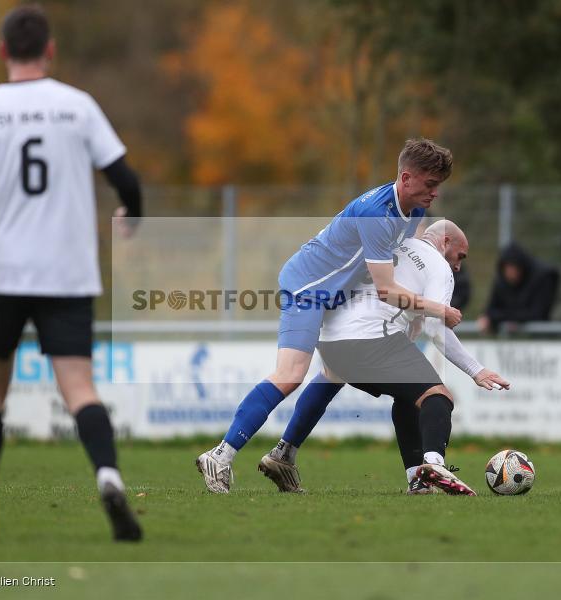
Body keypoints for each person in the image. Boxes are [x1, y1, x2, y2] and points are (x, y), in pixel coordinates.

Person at [0, 5, 143, 541]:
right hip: (67, 273)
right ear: (50, 51)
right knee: (79, 389)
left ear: (2, 52)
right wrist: (131, 217)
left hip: (2, 275)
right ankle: (109, 476)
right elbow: (126, 178)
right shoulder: (77, 106)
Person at [196, 139, 462, 493]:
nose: (435, 193)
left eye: (438, 186)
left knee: (335, 370)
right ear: (406, 178)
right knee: (290, 374)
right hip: (308, 289)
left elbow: (391, 268)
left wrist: (409, 316)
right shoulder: (377, 214)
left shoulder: (411, 211)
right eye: (430, 185)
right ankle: (220, 455)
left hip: (336, 293)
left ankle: (283, 456)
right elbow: (386, 288)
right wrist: (436, 309)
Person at [260, 221, 509, 495]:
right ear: (445, 242)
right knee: (438, 396)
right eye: (460, 256)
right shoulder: (437, 266)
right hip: (371, 339)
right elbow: (435, 328)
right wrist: (476, 370)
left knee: (390, 392)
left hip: (330, 336)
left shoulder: (389, 245)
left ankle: (285, 451)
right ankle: (434, 464)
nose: (459, 266)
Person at [477, 242, 558, 334]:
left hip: (543, 336)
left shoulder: (543, 277)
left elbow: (537, 314)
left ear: (521, 267)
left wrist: (501, 318)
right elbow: (490, 310)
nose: (510, 273)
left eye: (513, 268)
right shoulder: (501, 281)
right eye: (507, 268)